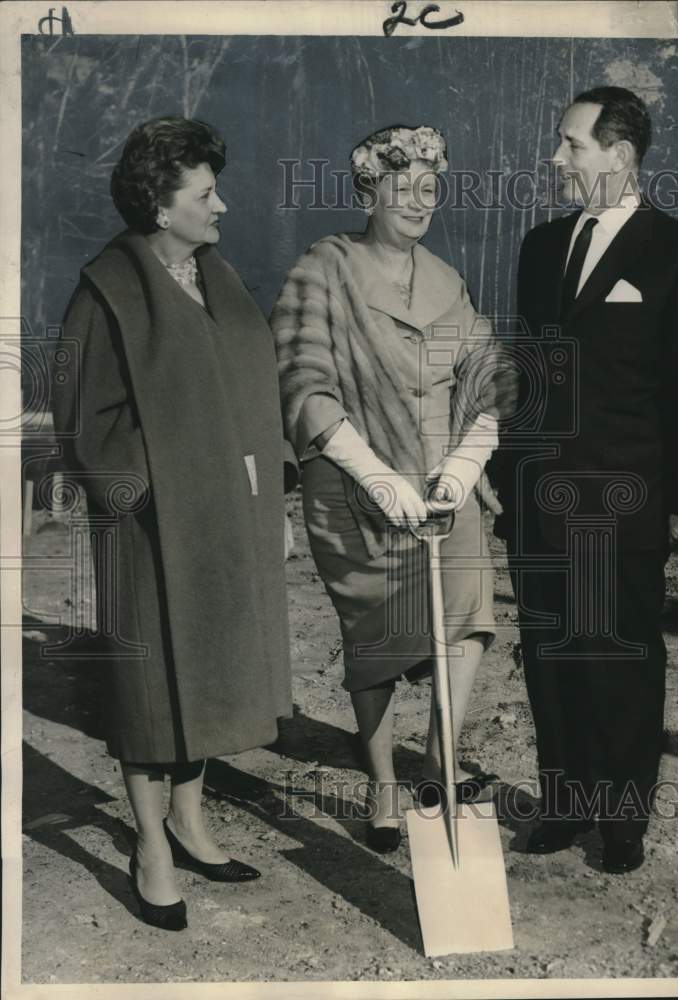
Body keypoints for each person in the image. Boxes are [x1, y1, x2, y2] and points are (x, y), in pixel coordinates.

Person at [51, 117, 296, 929]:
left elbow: (246, 393)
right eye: (205, 193)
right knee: (152, 689)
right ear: (161, 206)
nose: (222, 205)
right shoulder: (108, 289)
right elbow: (81, 415)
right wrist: (154, 490)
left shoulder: (213, 277)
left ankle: (190, 824)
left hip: (223, 520)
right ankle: (149, 846)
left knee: (201, 678)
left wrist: (265, 490)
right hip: (148, 528)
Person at [491, 87, 678, 873]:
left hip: (624, 497)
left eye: (572, 145)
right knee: (552, 649)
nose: (557, 159)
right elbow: (528, 380)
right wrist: (504, 475)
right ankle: (564, 803)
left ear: (619, 155)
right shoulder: (538, 247)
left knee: (620, 654)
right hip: (538, 499)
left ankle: (623, 818)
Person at [271, 125, 508, 852]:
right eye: (402, 190)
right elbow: (303, 380)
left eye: (430, 191)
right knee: (374, 634)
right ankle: (381, 781)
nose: (418, 203)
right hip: (352, 483)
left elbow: (488, 376)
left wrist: (467, 461)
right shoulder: (325, 270)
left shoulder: (446, 280)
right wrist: (373, 474)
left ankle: (439, 755)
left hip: (443, 486)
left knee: (468, 616)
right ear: (369, 191)